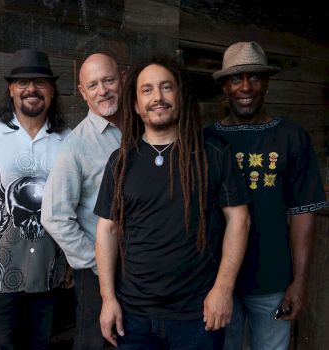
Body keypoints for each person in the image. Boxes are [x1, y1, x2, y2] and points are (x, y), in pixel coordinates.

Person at [94, 55, 251, 349]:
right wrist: (108, 299)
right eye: (147, 90)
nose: (158, 97)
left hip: (198, 316)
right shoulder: (121, 161)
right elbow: (107, 230)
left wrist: (223, 289)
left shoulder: (214, 154)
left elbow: (239, 219)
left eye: (166, 87)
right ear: (136, 106)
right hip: (133, 316)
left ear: (180, 96)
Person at [210, 41, 328, 350]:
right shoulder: (208, 140)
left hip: (273, 280)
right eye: (237, 78)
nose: (246, 86)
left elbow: (303, 212)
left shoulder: (292, 138)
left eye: (255, 77)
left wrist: (299, 281)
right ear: (225, 86)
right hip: (218, 283)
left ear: (267, 84)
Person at [0, 48, 70, 350]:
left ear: (52, 89)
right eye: (22, 82)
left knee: (40, 344)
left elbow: (76, 206)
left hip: (50, 272)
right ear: (11, 89)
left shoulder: (68, 141)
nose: (31, 89)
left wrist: (73, 260)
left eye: (40, 82)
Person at [42, 53, 123, 350]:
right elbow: (54, 216)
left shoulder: (141, 131)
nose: (102, 90)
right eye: (93, 85)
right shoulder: (76, 145)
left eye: (109, 80)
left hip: (142, 270)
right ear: (83, 93)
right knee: (96, 342)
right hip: (98, 275)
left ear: (123, 79)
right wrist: (96, 262)